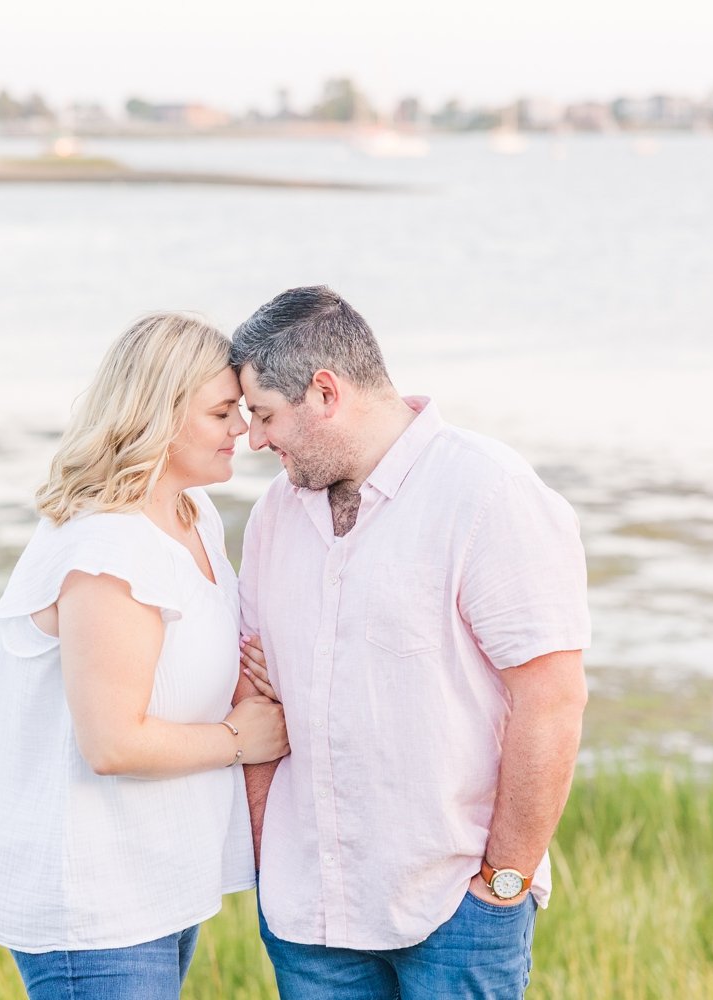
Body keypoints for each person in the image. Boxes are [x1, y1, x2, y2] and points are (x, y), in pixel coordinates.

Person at [230, 286, 591, 999]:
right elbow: (255, 682)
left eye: (265, 415)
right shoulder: (276, 512)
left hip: (454, 910)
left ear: (324, 393)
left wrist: (504, 882)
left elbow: (551, 698)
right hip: (309, 919)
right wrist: (271, 854)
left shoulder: (487, 494)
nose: (255, 439)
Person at [0, 312, 290, 1000]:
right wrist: (240, 739)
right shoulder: (107, 549)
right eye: (222, 411)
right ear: (159, 416)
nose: (242, 427)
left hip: (156, 872)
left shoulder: (191, 513)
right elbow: (112, 744)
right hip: (94, 898)